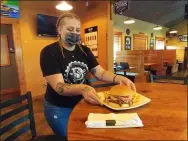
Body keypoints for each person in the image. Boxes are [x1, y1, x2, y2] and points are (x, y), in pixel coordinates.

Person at [40, 12, 136, 137]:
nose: (74, 33)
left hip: (81, 103)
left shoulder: (84, 51)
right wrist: (83, 88)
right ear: (59, 29)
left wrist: (119, 78)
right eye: (70, 29)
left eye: (77, 30)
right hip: (59, 107)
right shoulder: (49, 52)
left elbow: (100, 73)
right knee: (71, 137)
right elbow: (59, 86)